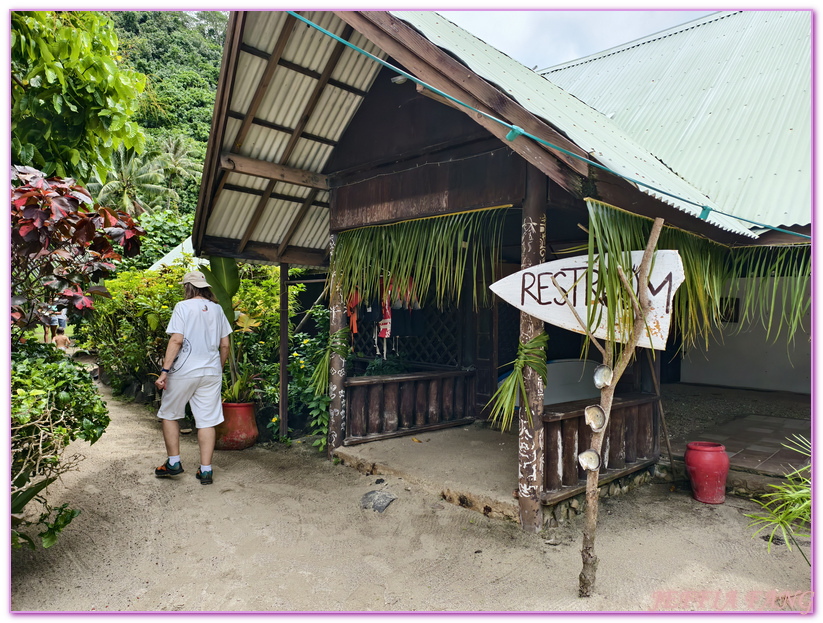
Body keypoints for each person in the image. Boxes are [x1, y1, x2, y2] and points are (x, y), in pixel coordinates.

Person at [154, 271, 232, 485]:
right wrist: (219, 367)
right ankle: (206, 471)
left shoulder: (183, 307)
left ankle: (174, 462)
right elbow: (225, 344)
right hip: (211, 371)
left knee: (169, 413)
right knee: (207, 419)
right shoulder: (217, 309)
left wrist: (164, 371)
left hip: (185, 371)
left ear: (188, 287)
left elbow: (176, 340)